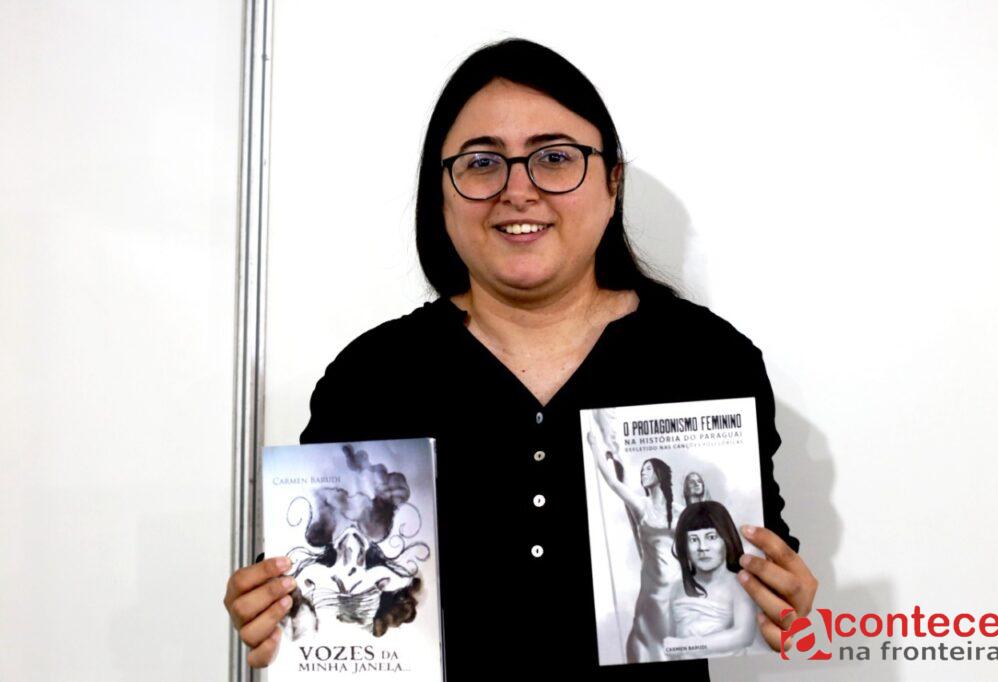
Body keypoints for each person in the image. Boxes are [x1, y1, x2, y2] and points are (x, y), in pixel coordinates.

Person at [222, 37, 818, 680]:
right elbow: (322, 591)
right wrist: (272, 605)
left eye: (554, 158)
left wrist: (777, 594)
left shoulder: (706, 359)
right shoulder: (371, 377)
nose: (518, 190)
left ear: (613, 181)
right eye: (482, 163)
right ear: (441, 193)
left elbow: (758, 563)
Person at [586, 428, 684, 663]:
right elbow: (613, 482)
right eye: (642, 469)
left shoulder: (680, 511)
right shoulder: (641, 505)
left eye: (648, 469)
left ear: (659, 474)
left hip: (678, 586)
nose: (643, 472)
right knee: (649, 645)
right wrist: (594, 446)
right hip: (653, 589)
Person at [663, 501, 756, 659]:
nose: (703, 547)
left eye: (711, 537)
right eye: (693, 539)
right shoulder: (677, 589)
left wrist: (686, 645)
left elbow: (744, 635)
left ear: (726, 539)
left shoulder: (739, 584)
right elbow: (671, 643)